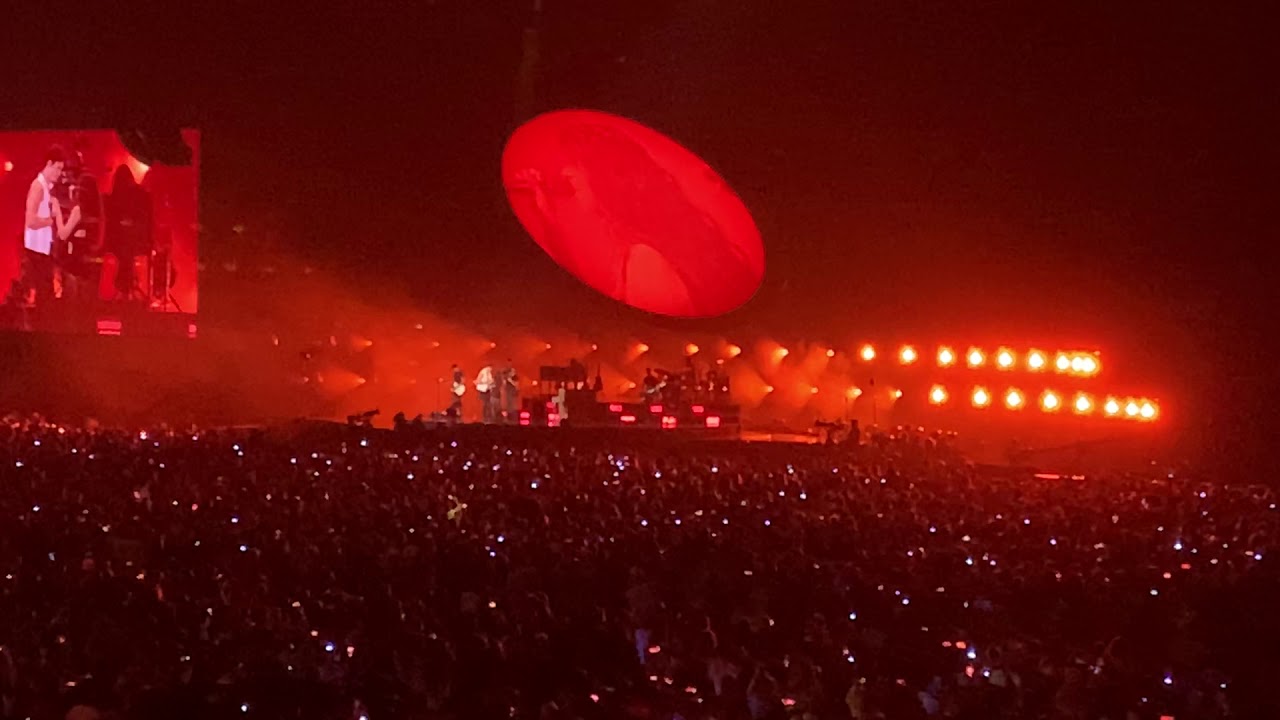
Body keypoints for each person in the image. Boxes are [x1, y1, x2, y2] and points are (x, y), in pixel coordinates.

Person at [23, 146, 81, 307]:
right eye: (57, 168)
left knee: (49, 296)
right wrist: (49, 220)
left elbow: (62, 233)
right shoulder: (37, 187)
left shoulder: (49, 191)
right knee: (44, 297)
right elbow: (30, 221)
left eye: (61, 169)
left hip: (45, 252)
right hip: (36, 253)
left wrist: (72, 218)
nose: (59, 173)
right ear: (49, 164)